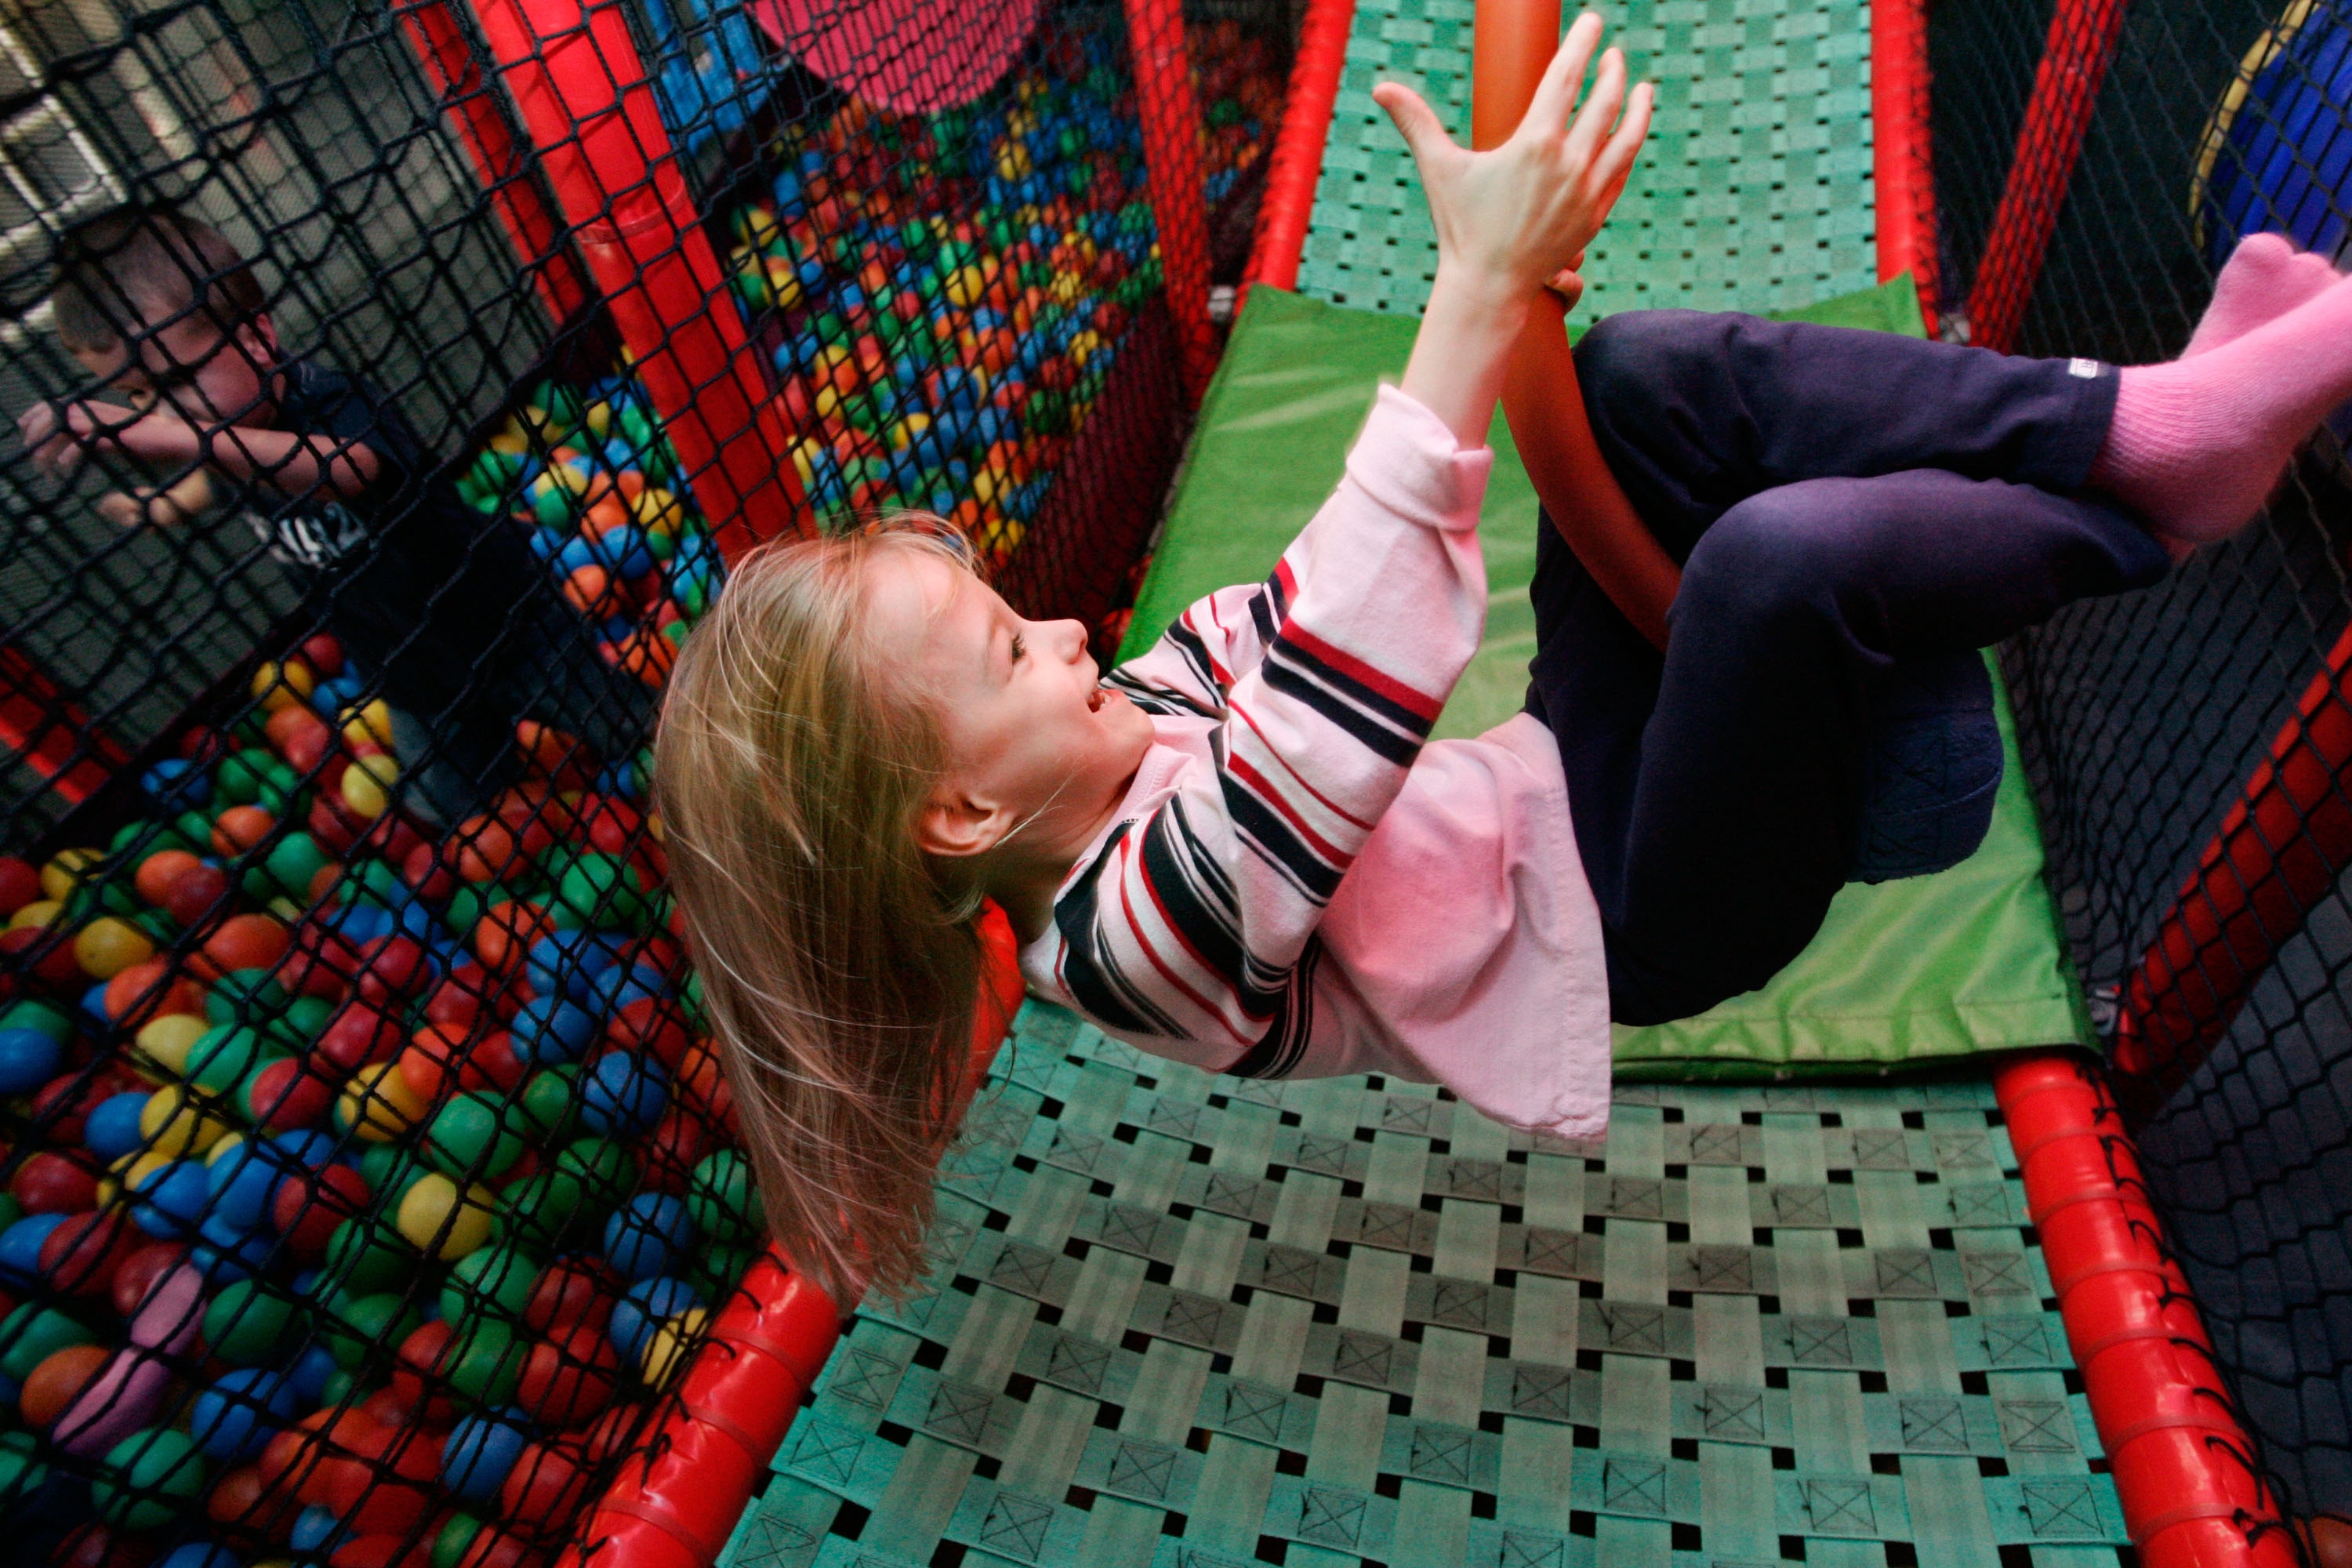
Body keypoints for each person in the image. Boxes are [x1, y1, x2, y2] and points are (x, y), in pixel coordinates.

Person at [655, 13, 2352, 1305]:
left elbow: (1331, 577)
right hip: (1637, 915)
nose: (1065, 626)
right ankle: (2156, 530)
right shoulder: (1126, 944)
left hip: (1573, 780)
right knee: (1767, 574)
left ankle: (2153, 426)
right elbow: (1329, 715)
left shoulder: (1135, 704)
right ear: (958, 817)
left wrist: (1511, 297)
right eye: (1005, 654)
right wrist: (1464, 298)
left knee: (1634, 379)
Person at [16, 201, 648, 823]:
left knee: (632, 732)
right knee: (452, 807)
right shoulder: (227, 435)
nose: (163, 415)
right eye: (136, 395)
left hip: (505, 625)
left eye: (178, 378)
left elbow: (351, 470)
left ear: (259, 336)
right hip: (407, 673)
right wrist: (164, 505)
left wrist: (188, 439)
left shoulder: (331, 402)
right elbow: (222, 477)